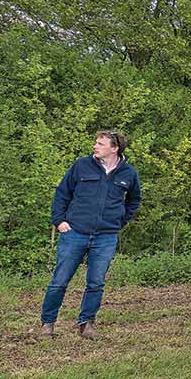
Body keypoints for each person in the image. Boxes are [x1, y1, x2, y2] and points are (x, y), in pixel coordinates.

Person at [41, 130, 141, 339]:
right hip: (74, 232)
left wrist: (119, 221)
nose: (95, 146)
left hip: (106, 236)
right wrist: (59, 221)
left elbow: (134, 201)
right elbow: (62, 193)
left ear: (114, 149)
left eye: (100, 144)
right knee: (60, 280)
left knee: (96, 282)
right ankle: (47, 324)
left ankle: (86, 324)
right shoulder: (81, 165)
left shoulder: (129, 173)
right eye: (96, 143)